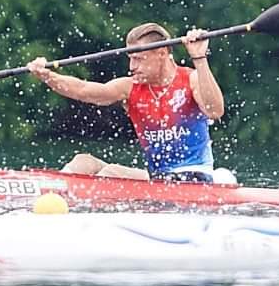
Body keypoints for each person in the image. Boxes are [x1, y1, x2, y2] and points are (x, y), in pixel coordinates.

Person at [27, 22, 231, 182]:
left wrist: (199, 57)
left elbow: (215, 111)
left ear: (161, 54)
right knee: (84, 162)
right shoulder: (130, 87)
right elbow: (84, 91)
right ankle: (50, 192)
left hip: (194, 178)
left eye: (139, 59)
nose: (132, 67)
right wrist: (47, 75)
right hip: (157, 178)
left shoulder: (192, 79)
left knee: (111, 172)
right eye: (130, 58)